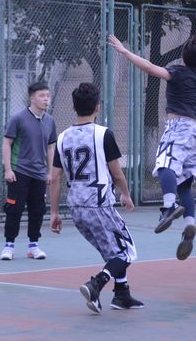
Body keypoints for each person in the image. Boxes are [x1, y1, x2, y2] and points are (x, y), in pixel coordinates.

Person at [109, 32, 196, 261]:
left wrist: (125, 52)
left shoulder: (177, 72)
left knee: (164, 166)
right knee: (184, 185)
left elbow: (151, 68)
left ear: (183, 54)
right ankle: (189, 224)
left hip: (179, 128)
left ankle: (169, 207)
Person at [50, 82, 144, 314]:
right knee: (126, 251)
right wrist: (125, 194)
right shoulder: (103, 134)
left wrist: (54, 212)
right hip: (98, 204)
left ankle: (121, 294)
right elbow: (117, 173)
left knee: (112, 251)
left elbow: (54, 178)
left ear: (74, 107)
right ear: (98, 107)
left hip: (76, 206)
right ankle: (96, 284)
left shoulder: (62, 138)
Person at [0, 82, 57, 261]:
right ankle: (9, 246)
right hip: (19, 172)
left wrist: (50, 172)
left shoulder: (50, 121)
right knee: (14, 210)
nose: (46, 99)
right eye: (42, 95)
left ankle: (33, 246)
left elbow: (51, 148)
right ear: (32, 98)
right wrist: (8, 169)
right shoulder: (18, 118)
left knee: (37, 211)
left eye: (48, 95)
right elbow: (7, 144)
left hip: (39, 175)